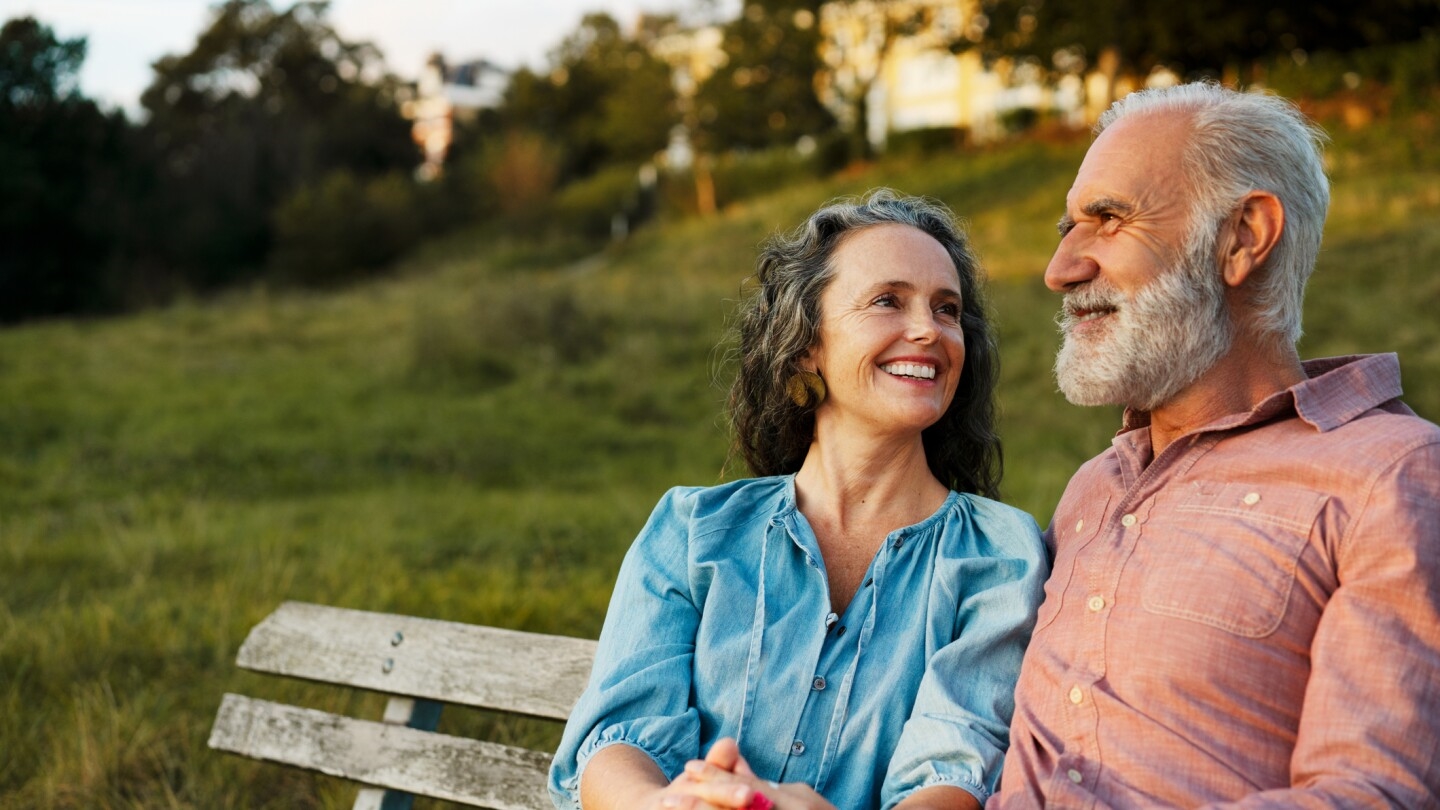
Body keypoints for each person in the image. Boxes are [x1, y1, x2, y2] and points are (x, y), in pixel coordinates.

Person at [992, 82, 1440, 808]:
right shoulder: (1090, 489)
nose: (1061, 268)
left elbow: (1372, 793)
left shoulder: (1392, 474)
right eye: (1065, 228)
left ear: (1243, 237)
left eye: (1107, 219)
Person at [549, 190, 1049, 810]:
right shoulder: (693, 530)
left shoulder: (999, 556)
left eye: (947, 309)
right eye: (888, 301)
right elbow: (616, 740)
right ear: (807, 342)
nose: (928, 330)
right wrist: (663, 805)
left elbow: (953, 773)